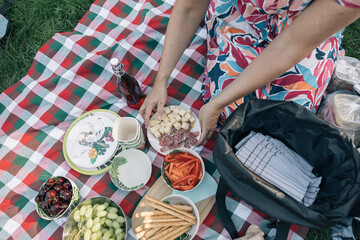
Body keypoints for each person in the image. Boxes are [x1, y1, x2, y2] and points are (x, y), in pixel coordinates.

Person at [139, 0, 360, 146]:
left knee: (279, 123)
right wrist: (162, 80)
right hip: (244, 13)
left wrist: (215, 104)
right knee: (232, 109)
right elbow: (189, 8)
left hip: (302, 30)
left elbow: (289, 47)